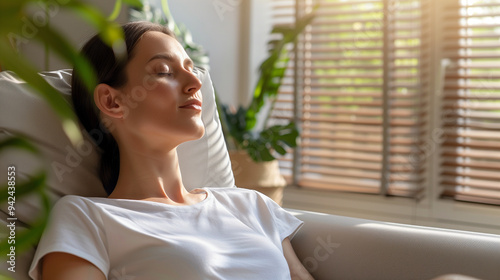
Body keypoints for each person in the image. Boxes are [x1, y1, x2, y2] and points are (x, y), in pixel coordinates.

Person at [28, 21, 314, 280]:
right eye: (164, 71)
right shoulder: (86, 218)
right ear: (112, 102)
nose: (195, 83)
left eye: (191, 69)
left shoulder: (251, 205)